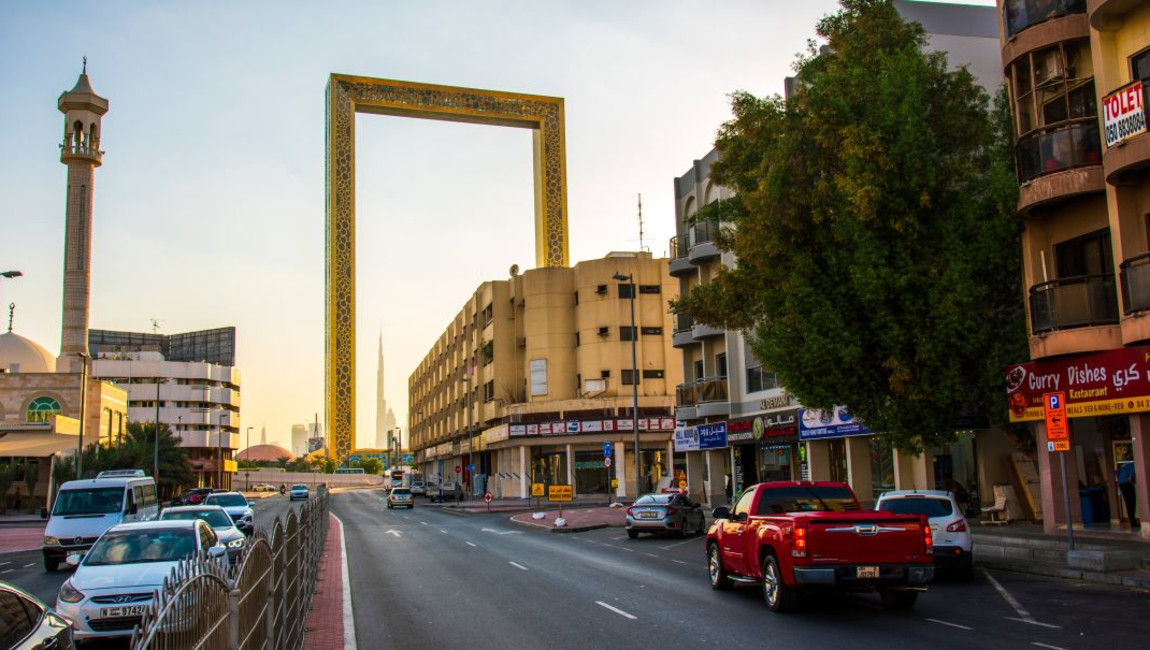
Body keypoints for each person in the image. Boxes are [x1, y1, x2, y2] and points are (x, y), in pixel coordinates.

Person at [1118, 461, 1138, 526]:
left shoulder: (1124, 465)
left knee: (1128, 503)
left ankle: (1132, 521)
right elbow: (1130, 477)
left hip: (1121, 484)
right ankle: (1133, 522)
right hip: (1127, 484)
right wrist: (1132, 481)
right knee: (1132, 503)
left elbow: (1117, 473)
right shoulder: (1134, 466)